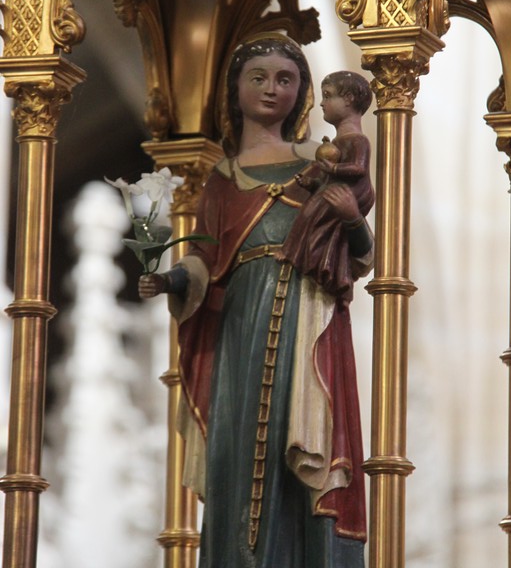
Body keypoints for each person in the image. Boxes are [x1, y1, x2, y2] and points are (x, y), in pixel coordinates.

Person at [139, 34, 373, 568]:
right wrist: (169, 281)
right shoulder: (223, 178)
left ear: (302, 92)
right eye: (259, 78)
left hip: (308, 317)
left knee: (306, 441)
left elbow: (362, 254)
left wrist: (351, 220)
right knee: (240, 447)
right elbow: (203, 258)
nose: (272, 89)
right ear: (235, 89)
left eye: (285, 79)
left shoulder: (322, 160)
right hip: (239, 324)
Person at [280, 70, 375, 303]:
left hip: (350, 193)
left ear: (349, 99)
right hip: (335, 190)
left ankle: (309, 260)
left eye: (328, 96)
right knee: (312, 214)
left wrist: (332, 169)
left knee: (313, 214)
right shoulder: (337, 143)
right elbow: (328, 181)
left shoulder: (357, 140)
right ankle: (299, 255)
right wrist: (312, 184)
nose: (321, 103)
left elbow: (358, 168)